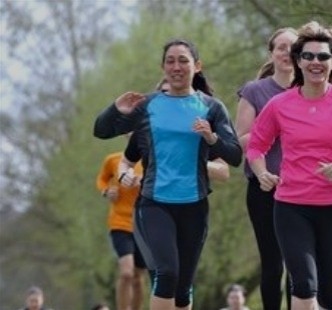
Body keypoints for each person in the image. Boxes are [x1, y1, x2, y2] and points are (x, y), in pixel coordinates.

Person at [246, 21, 332, 310]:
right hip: (292, 207)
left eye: (323, 56)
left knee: (331, 297)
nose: (315, 62)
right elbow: (256, 145)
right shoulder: (280, 104)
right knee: (304, 285)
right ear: (298, 61)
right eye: (308, 56)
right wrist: (262, 173)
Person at [93, 38, 242, 309]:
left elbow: (235, 156)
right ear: (163, 67)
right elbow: (101, 130)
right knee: (167, 274)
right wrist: (115, 108)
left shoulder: (212, 108)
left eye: (183, 60)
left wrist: (211, 139)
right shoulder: (147, 106)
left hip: (194, 206)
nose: (176, 66)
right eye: (170, 61)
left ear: (197, 66)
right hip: (154, 204)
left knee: (184, 289)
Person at [234, 27, 298, 310]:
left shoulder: (311, 90)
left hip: (304, 188)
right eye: (280, 47)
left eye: (292, 47)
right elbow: (241, 141)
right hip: (264, 188)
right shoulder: (255, 91)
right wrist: (274, 126)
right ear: (271, 53)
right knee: (273, 264)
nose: (286, 53)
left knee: (300, 265)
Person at [95, 141, 147, 310]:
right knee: (126, 273)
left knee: (138, 278)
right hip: (119, 223)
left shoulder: (150, 161)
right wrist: (107, 191)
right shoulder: (113, 160)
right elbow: (102, 179)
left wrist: (144, 183)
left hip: (143, 225)